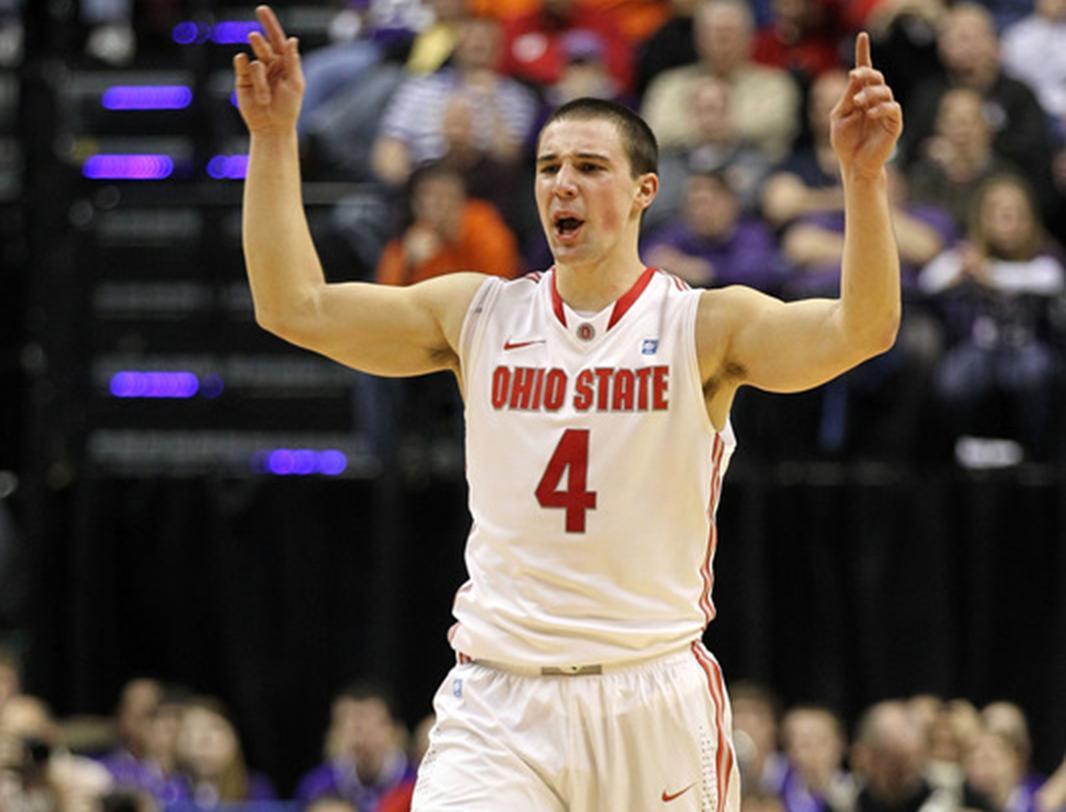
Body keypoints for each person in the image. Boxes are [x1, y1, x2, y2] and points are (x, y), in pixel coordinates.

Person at [234, 7, 902, 807]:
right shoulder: (477, 315)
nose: (563, 184)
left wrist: (862, 182)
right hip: (499, 700)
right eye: (550, 166)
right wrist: (273, 139)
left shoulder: (703, 326)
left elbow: (862, 328)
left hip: (648, 694)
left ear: (645, 190)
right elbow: (293, 306)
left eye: (589, 166)